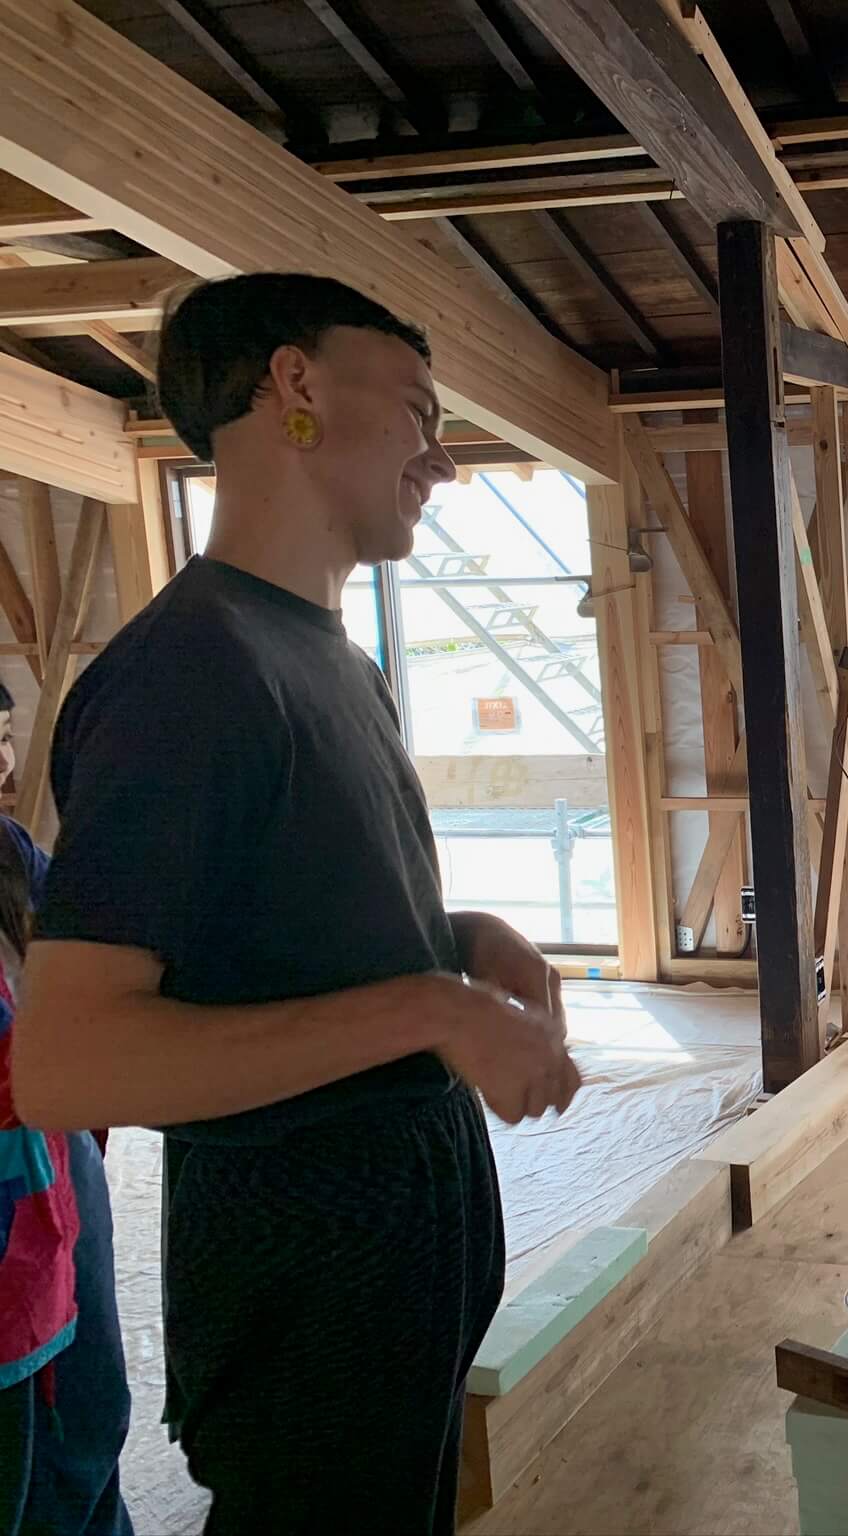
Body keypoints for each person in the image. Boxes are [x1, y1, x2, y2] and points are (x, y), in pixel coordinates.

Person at [11, 274, 583, 1535]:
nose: (442, 461)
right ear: (295, 384)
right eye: (419, 410)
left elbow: (277, 935)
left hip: (400, 1249)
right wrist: (430, 1006)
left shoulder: (332, 657)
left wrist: (462, 943)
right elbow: (68, 1064)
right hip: (304, 1275)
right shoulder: (186, 672)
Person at [0, 684, 131, 1536]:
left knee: (92, 1406)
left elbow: (84, 950)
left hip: (53, 1157)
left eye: (4, 736)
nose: (0, 761)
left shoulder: (10, 850)